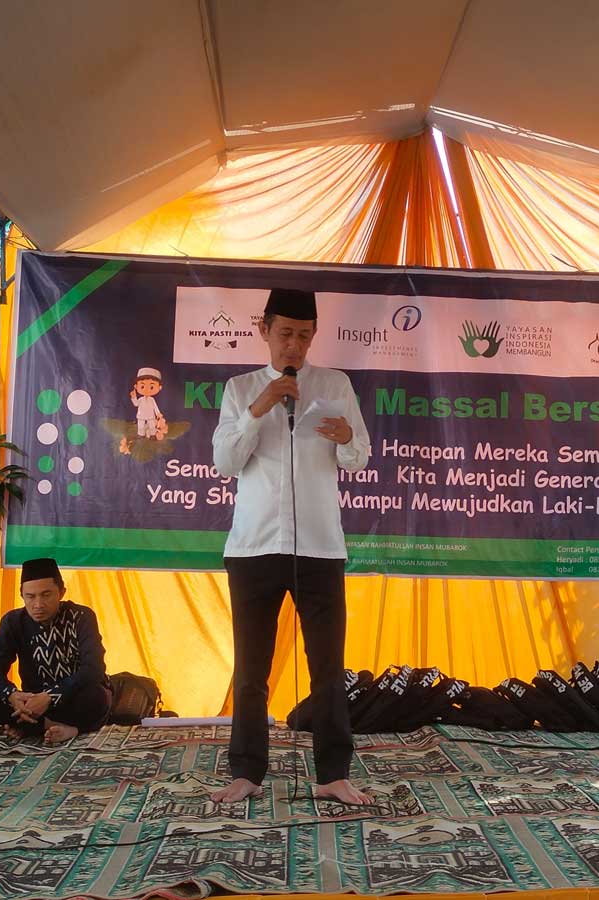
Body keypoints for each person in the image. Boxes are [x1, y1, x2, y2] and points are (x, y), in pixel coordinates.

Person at [210, 287, 371, 806]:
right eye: (285, 333)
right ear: (264, 330)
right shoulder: (240, 389)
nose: (294, 345)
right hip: (253, 547)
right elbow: (226, 463)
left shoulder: (335, 384)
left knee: (327, 667)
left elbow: (359, 457)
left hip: (320, 548)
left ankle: (333, 773)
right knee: (251, 669)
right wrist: (259, 409)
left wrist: (346, 438)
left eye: (304, 335)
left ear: (314, 335)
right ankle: (246, 773)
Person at [0, 558, 112, 743]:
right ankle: (49, 726)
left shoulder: (81, 616)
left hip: (72, 698)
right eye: (31, 596)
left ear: (62, 592)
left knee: (97, 697)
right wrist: (12, 696)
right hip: (31, 704)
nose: (38, 604)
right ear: (22, 595)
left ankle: (30, 726)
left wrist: (50, 696)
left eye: (46, 595)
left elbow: (94, 668)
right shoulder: (13, 622)